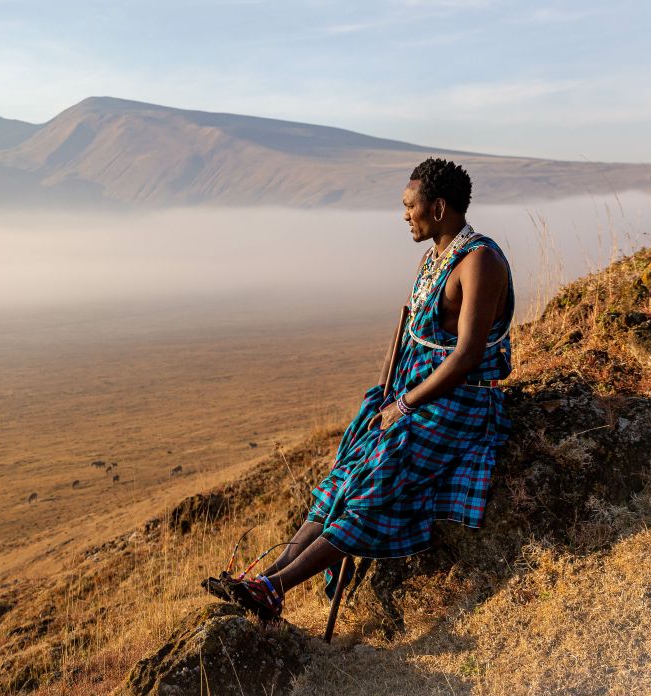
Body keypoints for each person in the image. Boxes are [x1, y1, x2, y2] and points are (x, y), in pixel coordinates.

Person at [206, 157, 513, 620]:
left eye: (410, 206)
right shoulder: (433, 258)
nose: (404, 214)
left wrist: (405, 405)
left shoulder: (480, 262)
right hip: (412, 393)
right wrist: (388, 395)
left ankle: (274, 587)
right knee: (346, 473)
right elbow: (409, 325)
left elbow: (467, 355)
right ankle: (264, 580)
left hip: (460, 401)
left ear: (438, 207)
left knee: (377, 479)